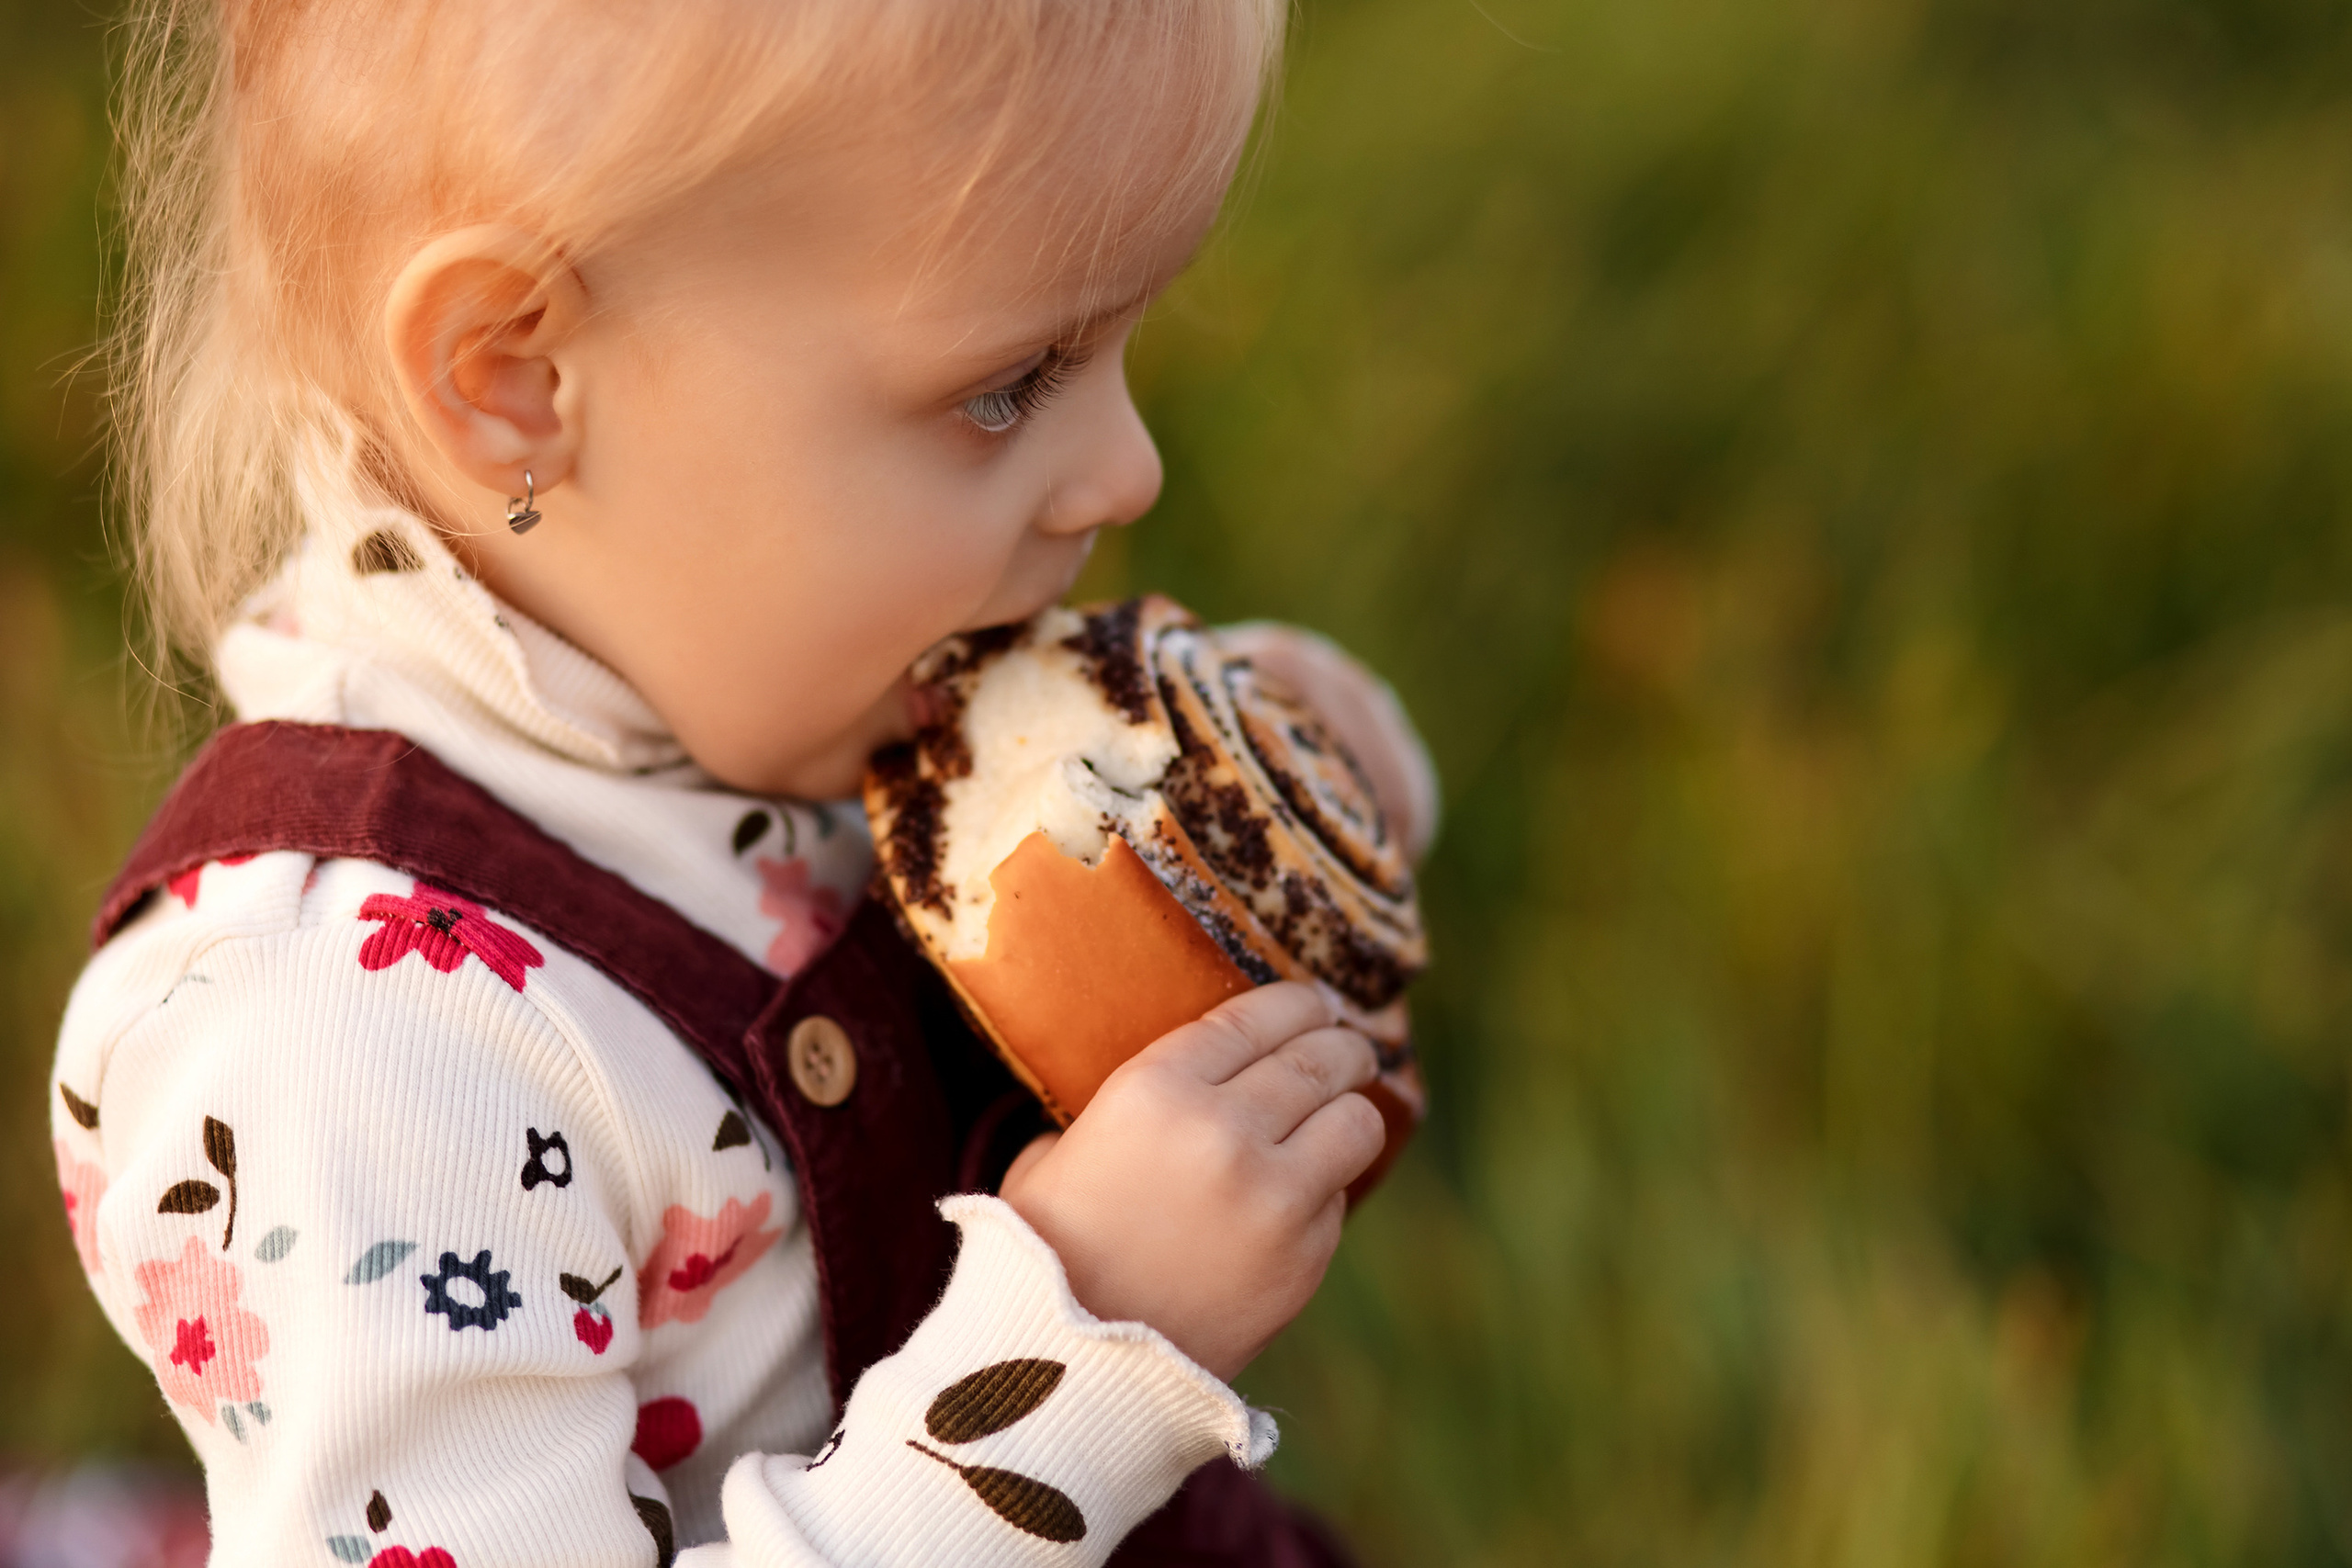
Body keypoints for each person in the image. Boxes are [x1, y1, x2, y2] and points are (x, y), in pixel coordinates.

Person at [51, 3, 1438, 1563]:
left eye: (1119, 346)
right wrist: (1079, 1356)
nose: (1129, 472)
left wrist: (1297, 786)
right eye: (1005, 385)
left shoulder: (790, 675)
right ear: (515, 378)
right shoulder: (353, 1045)